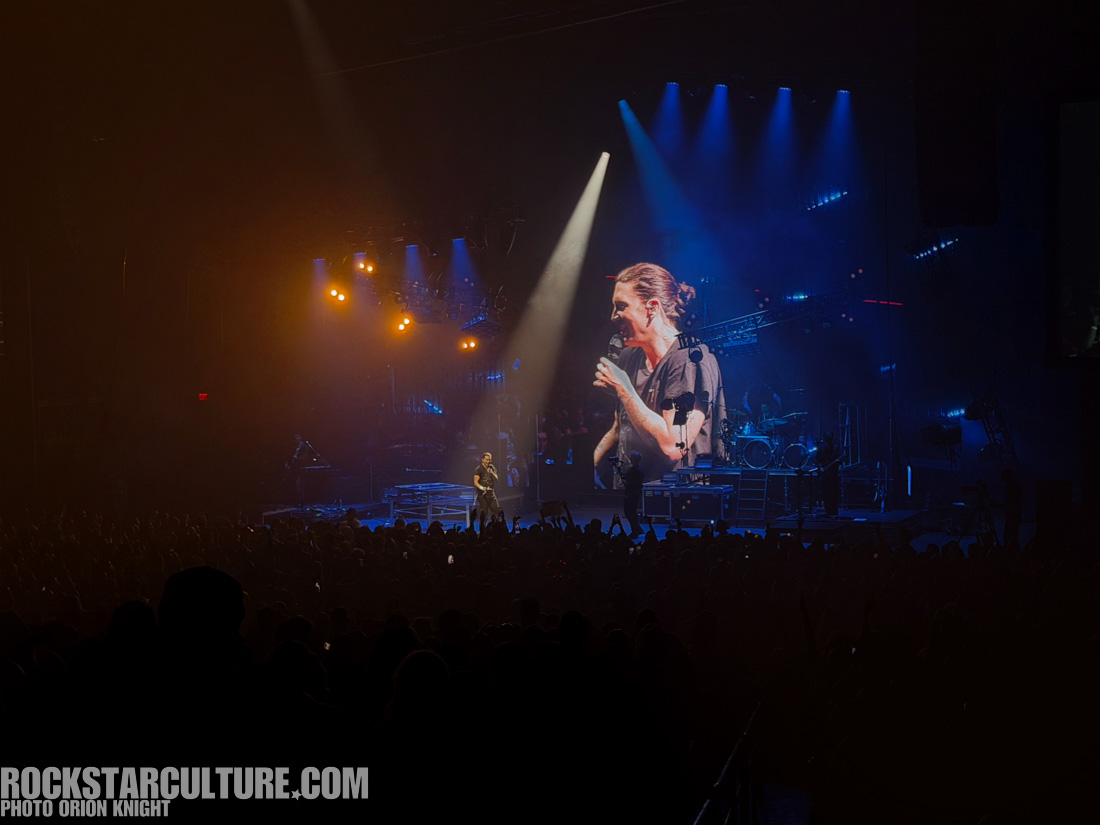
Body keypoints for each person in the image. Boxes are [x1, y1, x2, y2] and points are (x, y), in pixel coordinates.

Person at [593, 262, 723, 480]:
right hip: (632, 495)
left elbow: (674, 447)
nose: (613, 316)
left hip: (676, 501)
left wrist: (625, 389)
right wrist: (590, 466)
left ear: (652, 307)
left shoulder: (688, 358)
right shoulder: (630, 357)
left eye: (621, 306)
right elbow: (620, 428)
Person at [473, 452, 501, 532]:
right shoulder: (478, 469)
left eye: (489, 459)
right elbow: (475, 482)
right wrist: (482, 488)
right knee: (484, 515)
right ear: (482, 459)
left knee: (496, 512)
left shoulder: (492, 467)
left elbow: (496, 479)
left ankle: (496, 530)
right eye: (486, 459)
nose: (488, 461)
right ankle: (482, 531)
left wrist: (491, 472)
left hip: (491, 494)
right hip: (482, 495)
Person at [623, 450, 645, 538]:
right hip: (631, 493)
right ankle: (637, 529)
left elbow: (635, 483)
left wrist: (627, 483)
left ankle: (635, 531)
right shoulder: (633, 469)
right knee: (631, 512)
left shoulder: (637, 470)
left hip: (633, 494)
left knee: (630, 513)